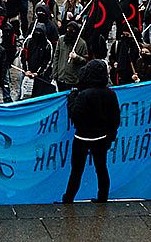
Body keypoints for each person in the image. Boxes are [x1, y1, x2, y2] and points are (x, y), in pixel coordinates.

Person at [62, 59, 121, 203]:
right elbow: (115, 118)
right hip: (101, 137)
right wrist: (111, 136)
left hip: (82, 137)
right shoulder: (110, 94)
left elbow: (75, 115)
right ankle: (103, 197)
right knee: (101, 168)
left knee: (76, 170)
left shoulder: (84, 94)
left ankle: (69, 198)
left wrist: (72, 98)